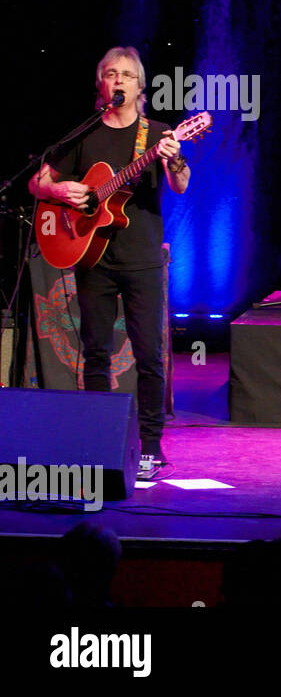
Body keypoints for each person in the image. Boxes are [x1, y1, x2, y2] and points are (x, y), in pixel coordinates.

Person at [28, 46, 189, 474]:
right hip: (93, 258)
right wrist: (62, 192)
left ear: (141, 87)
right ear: (101, 85)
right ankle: (100, 441)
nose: (119, 81)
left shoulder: (157, 133)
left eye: (127, 75)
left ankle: (151, 446)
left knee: (149, 354)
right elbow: (37, 181)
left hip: (142, 259)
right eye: (111, 74)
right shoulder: (85, 134)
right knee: (95, 353)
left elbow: (181, 186)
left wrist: (174, 159)